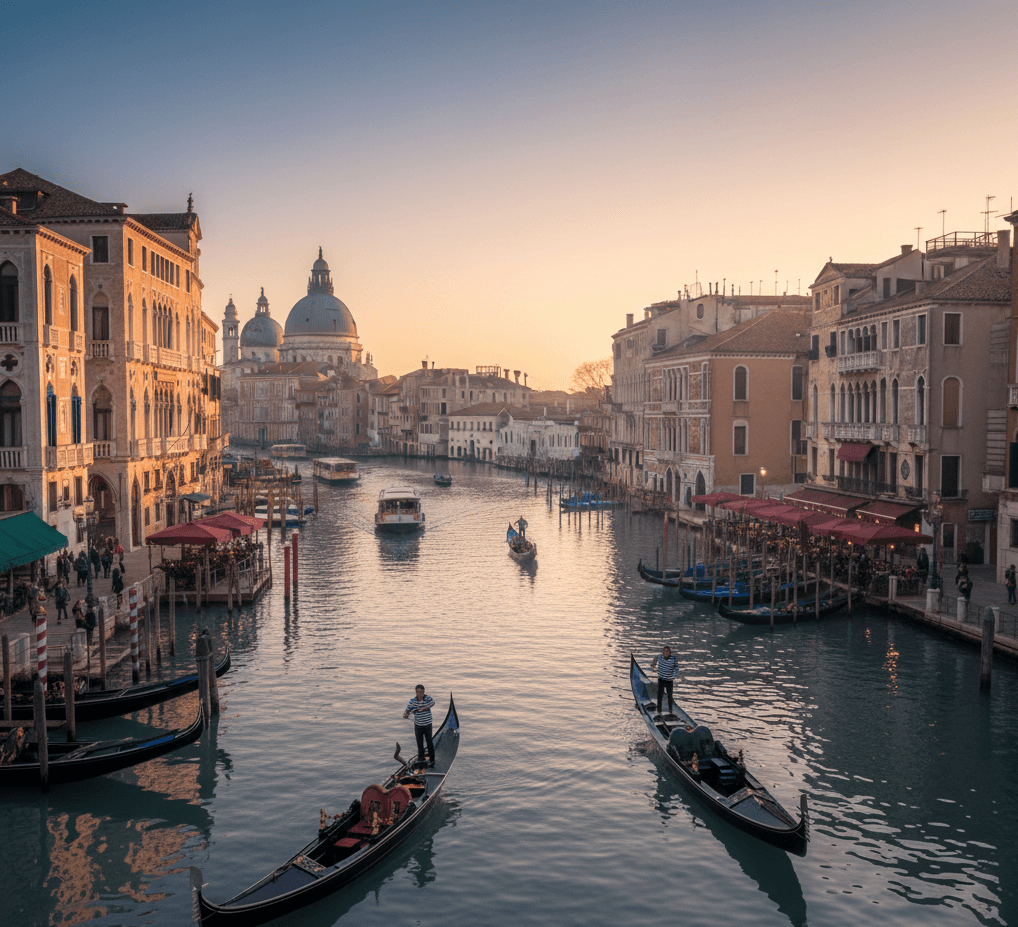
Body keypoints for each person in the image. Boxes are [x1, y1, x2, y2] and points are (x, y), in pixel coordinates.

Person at [402, 684, 436, 768]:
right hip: (418, 726)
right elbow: (407, 710)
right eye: (417, 692)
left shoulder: (428, 698)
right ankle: (421, 760)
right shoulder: (412, 701)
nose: (419, 694)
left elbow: (433, 703)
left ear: (424, 692)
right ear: (415, 692)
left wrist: (424, 708)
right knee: (419, 743)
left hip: (428, 725)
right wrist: (406, 714)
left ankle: (432, 760)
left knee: (429, 743)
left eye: (421, 692)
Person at [650, 645, 678, 717]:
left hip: (669, 680)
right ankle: (659, 711)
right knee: (660, 695)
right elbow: (653, 662)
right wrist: (653, 667)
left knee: (669, 696)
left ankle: (670, 711)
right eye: (664, 651)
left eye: (667, 651)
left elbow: (676, 668)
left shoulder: (673, 658)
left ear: (670, 652)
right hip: (661, 679)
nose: (666, 653)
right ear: (662, 652)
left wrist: (673, 675)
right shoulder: (659, 656)